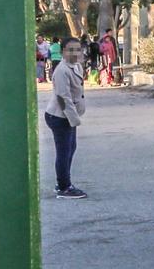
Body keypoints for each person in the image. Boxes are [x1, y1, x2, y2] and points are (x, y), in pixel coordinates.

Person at [44, 37, 87, 199]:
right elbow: (63, 97)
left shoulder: (76, 66)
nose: (75, 53)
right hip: (60, 116)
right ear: (62, 51)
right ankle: (64, 187)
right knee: (64, 151)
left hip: (68, 115)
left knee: (70, 149)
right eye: (70, 49)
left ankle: (63, 182)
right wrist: (73, 119)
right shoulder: (62, 70)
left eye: (77, 49)